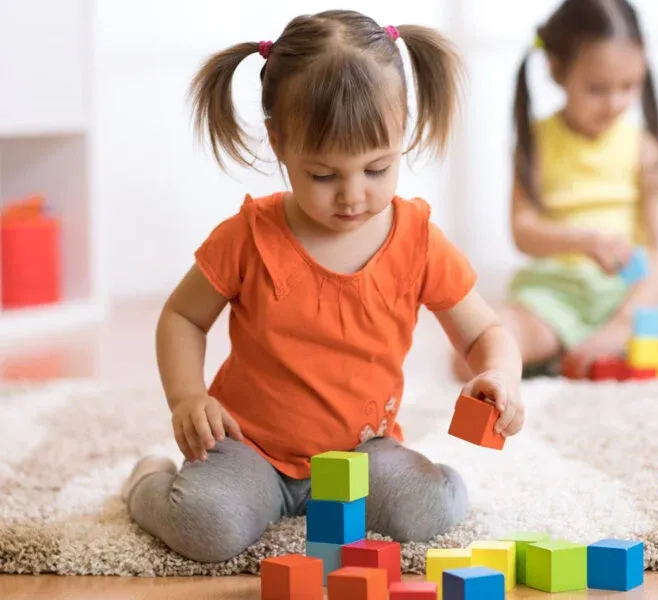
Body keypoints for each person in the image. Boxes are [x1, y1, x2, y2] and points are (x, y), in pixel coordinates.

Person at [120, 10, 523, 563]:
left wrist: (498, 375)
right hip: (251, 449)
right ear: (280, 144)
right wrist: (187, 398)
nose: (353, 195)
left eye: (377, 169)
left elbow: (485, 331)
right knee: (204, 527)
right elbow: (182, 318)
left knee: (425, 512)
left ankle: (406, 485)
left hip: (363, 453)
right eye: (324, 175)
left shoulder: (418, 240)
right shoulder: (249, 236)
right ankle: (146, 481)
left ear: (402, 129)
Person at [456, 0, 658, 381]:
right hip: (555, 300)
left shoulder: (644, 147)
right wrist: (585, 241)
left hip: (634, 300)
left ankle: (615, 355)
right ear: (557, 70)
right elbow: (523, 232)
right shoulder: (534, 143)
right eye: (598, 89)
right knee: (470, 357)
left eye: (629, 86)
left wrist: (623, 323)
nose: (616, 102)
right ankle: (578, 350)